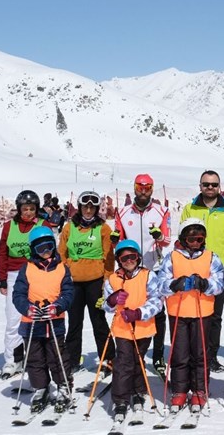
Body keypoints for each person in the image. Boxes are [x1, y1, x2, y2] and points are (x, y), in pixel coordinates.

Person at [157, 218, 224, 412]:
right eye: (191, 239)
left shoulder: (212, 257)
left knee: (200, 353)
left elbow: (220, 283)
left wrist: (205, 284)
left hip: (202, 312)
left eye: (199, 239)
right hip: (178, 312)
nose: (195, 243)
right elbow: (160, 284)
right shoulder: (172, 257)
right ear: (183, 238)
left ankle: (199, 389)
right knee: (180, 353)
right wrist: (173, 284)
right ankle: (179, 390)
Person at [112, 173, 172, 377]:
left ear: (152, 189)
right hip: (130, 269)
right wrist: (114, 240)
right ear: (134, 188)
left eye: (147, 188)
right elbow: (118, 239)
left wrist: (160, 237)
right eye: (140, 187)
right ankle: (130, 353)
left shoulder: (161, 211)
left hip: (153, 267)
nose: (143, 191)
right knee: (128, 309)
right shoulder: (123, 211)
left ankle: (158, 355)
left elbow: (167, 240)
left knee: (157, 312)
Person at [180, 170, 224, 373]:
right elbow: (182, 236)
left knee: (214, 317)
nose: (210, 188)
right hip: (194, 269)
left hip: (218, 272)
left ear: (219, 186)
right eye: (206, 184)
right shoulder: (190, 208)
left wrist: (222, 261)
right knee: (193, 314)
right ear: (200, 186)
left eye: (214, 184)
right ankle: (191, 354)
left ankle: (210, 355)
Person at [12, 226, 74, 414]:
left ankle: (63, 386)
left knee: (58, 356)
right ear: (33, 250)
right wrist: (28, 308)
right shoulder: (27, 269)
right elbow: (18, 294)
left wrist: (58, 306)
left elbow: (69, 293)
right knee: (34, 358)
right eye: (40, 249)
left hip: (54, 321)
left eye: (48, 247)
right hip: (32, 323)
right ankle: (41, 388)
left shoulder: (62, 269)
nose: (45, 252)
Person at [102, 240, 164, 423]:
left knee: (137, 359)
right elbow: (106, 305)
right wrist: (112, 300)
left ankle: (138, 391)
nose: (129, 261)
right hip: (122, 328)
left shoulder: (148, 275)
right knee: (123, 362)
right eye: (124, 258)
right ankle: (121, 399)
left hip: (143, 327)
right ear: (119, 260)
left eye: (133, 257)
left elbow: (157, 301)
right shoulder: (113, 279)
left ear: (138, 257)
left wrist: (139, 313)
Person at [58, 190, 115, 374]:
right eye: (85, 206)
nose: (88, 210)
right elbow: (61, 253)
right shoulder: (69, 227)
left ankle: (108, 358)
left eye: (92, 207)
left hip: (95, 281)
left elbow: (109, 256)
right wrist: (67, 270)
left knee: (98, 320)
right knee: (74, 321)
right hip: (74, 281)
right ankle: (73, 358)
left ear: (97, 208)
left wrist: (107, 279)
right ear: (80, 207)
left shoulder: (103, 228)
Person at [0, 189, 45, 379]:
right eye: (25, 209)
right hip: (14, 276)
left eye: (32, 209)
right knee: (13, 319)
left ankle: (34, 357)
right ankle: (12, 360)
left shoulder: (42, 225)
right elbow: (2, 253)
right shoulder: (9, 226)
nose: (28, 213)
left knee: (37, 318)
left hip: (36, 274)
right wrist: (2, 278)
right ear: (19, 209)